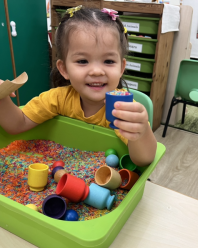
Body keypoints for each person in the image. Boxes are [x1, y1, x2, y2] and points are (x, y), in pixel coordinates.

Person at [0, 7, 157, 167]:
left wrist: (141, 131)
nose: (96, 71)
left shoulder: (122, 109)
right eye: (82, 61)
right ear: (64, 69)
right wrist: (2, 97)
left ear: (121, 68)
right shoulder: (57, 99)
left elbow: (144, 159)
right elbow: (17, 124)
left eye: (109, 61)